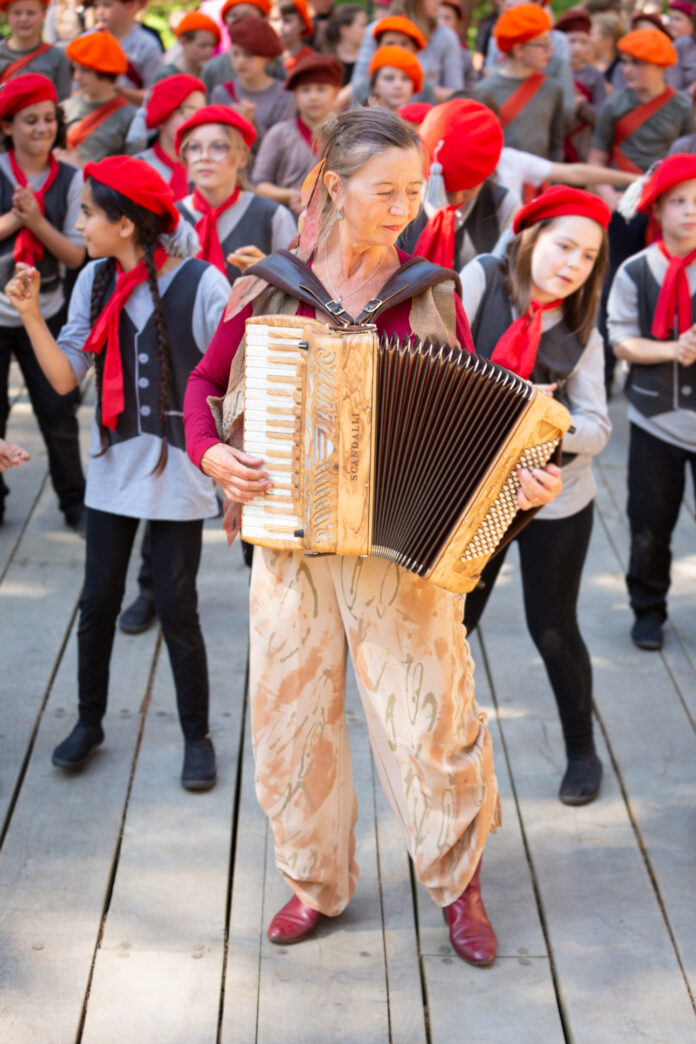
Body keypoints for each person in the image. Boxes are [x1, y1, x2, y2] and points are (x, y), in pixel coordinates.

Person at [183, 107, 562, 964]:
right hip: (289, 544)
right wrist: (212, 458)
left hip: (400, 553)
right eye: (384, 190)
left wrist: (522, 486)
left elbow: (482, 427)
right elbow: (205, 385)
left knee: (429, 722)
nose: (403, 205)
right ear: (332, 186)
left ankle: (457, 884)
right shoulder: (269, 285)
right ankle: (314, 881)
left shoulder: (430, 291)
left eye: (412, 189)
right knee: (291, 720)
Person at [4, 155, 231, 788]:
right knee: (97, 601)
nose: (76, 224)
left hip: (180, 472)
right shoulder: (93, 281)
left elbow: (234, 376)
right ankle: (89, 722)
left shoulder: (201, 283)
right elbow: (61, 376)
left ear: (126, 224)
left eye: (86, 213)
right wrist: (27, 315)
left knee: (179, 609)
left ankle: (197, 734)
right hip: (111, 470)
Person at [460, 186, 612, 805]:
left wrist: (546, 422)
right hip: (468, 489)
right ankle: (436, 744)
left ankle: (581, 748)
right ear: (529, 240)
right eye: (564, 246)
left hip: (553, 495)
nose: (573, 264)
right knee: (453, 623)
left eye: (588, 257)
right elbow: (430, 350)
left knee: (551, 625)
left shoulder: (582, 330)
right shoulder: (479, 279)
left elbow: (598, 429)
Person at [607, 154, 696, 651]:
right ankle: (647, 609)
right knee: (649, 522)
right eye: (679, 201)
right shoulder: (637, 270)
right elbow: (620, 340)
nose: (690, 212)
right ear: (658, 208)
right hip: (655, 418)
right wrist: (670, 350)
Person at [0, 73, 86, 532]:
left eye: (48, 119)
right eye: (29, 120)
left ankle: (74, 501)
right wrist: (19, 217)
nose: (40, 128)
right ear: (9, 126)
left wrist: (37, 220)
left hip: (46, 311)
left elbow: (75, 253)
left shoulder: (71, 179)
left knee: (58, 410)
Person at [176, 105, 296, 284]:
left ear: (242, 158)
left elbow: (298, 289)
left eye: (218, 147)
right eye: (194, 147)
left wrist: (270, 276)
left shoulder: (272, 217)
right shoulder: (171, 219)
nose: (204, 157)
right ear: (184, 156)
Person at [401, 98, 519, 269]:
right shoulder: (402, 196)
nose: (455, 197)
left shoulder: (502, 203)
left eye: (467, 190)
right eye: (446, 189)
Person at [475, 4, 564, 178]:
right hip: (500, 183)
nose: (550, 49)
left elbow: (556, 145)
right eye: (542, 44)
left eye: (549, 42)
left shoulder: (553, 89)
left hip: (539, 183)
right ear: (519, 50)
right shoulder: (484, 91)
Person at [252, 54, 342, 215]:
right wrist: (293, 195)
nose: (313, 97)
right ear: (295, 95)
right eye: (305, 90)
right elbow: (259, 186)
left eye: (321, 89)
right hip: (287, 222)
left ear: (336, 92)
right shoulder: (279, 134)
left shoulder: (348, 135)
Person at [352, 0, 464, 102]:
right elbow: (358, 82)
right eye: (390, 44)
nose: (439, 2)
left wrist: (414, 87)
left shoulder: (446, 36)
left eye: (404, 44)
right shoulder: (376, 30)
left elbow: (457, 93)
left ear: (416, 49)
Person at [206, 16, 294, 146]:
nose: (240, 61)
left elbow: (282, 147)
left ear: (267, 57)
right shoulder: (222, 93)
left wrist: (251, 125)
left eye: (249, 55)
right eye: (235, 54)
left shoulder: (285, 95)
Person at [62, 31, 137, 165]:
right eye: (75, 69)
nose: (77, 77)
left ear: (105, 71)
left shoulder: (129, 116)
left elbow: (132, 165)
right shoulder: (65, 108)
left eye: (85, 70)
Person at [136, 75, 207, 200]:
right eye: (189, 112)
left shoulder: (210, 167)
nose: (197, 120)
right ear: (163, 120)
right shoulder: (138, 168)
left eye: (202, 113)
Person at [555, 9, 606, 164]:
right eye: (572, 41)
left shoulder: (594, 75)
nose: (577, 48)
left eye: (583, 42)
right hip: (556, 142)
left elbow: (602, 117)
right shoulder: (552, 72)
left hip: (583, 146)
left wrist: (582, 105)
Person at [91, 0, 163, 105]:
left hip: (133, 117)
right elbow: (75, 91)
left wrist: (121, 90)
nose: (100, 12)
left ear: (128, 6)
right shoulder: (88, 41)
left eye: (107, 5)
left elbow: (155, 95)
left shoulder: (147, 45)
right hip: (94, 116)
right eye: (97, 6)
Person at [0, 0, 71, 100]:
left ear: (44, 15)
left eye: (31, 13)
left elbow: (63, 102)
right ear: (6, 16)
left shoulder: (59, 57)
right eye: (17, 13)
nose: (24, 19)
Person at [156, 10, 221, 80]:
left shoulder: (210, 75)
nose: (209, 51)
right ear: (183, 42)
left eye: (212, 45)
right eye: (203, 45)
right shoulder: (167, 76)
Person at [368, 45, 425, 111]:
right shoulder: (364, 120)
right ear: (374, 85)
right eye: (389, 78)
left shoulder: (425, 119)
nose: (398, 85)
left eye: (405, 78)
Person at [323, 3, 367, 85]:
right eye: (362, 25)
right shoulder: (326, 62)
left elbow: (372, 97)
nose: (366, 30)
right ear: (345, 30)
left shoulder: (366, 61)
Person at [274, 0, 316, 75]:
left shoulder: (312, 60)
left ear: (303, 24)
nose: (280, 27)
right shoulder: (264, 59)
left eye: (287, 20)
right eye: (275, 20)